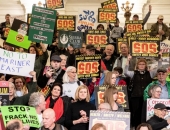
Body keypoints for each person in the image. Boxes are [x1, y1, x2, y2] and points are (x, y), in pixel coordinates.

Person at [124, 56, 159, 129]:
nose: (141, 65)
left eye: (143, 64)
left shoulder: (150, 73)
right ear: (137, 65)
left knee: (146, 114)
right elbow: (126, 72)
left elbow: (158, 69)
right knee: (136, 114)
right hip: (135, 98)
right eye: (140, 64)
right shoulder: (134, 73)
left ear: (145, 65)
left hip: (146, 98)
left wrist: (159, 58)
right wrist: (128, 60)